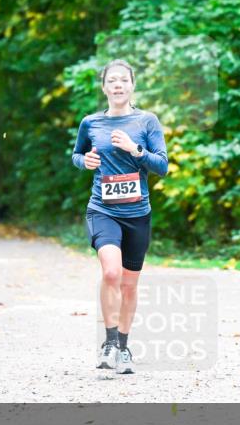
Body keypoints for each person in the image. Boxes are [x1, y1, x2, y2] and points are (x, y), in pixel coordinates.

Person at [72, 59, 168, 374]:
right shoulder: (91, 123)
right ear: (104, 87)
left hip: (137, 213)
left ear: (131, 86)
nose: (117, 85)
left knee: (128, 284)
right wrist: (82, 161)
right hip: (102, 209)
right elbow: (77, 154)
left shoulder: (147, 121)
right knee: (111, 272)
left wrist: (135, 149)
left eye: (123, 81)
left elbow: (162, 166)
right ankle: (109, 342)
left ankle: (124, 347)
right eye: (111, 80)